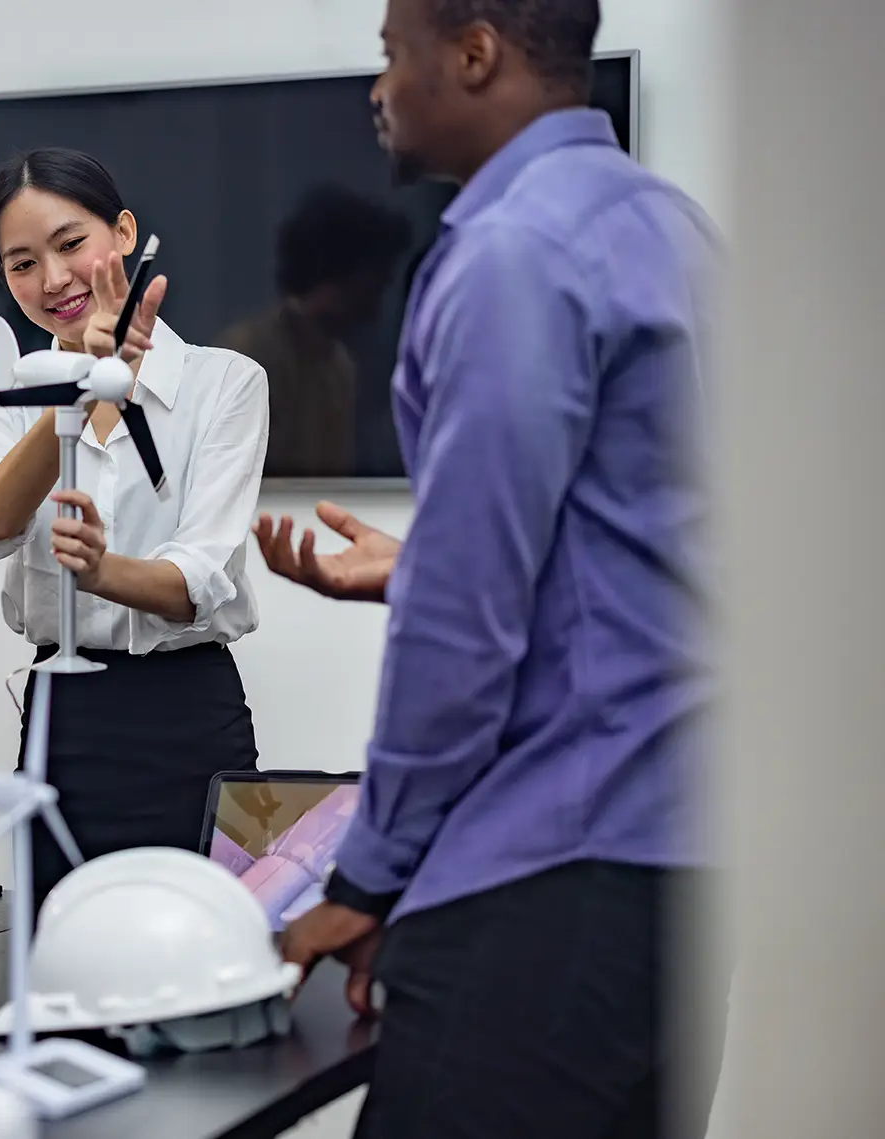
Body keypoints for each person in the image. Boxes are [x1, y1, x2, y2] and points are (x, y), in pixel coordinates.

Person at [264, 1, 720, 1136]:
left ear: (474, 54)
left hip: (549, 872)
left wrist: (367, 876)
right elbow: (645, 553)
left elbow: (467, 627)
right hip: (683, 861)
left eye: (391, 56)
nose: (379, 89)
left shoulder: (512, 251)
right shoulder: (672, 227)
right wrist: (420, 567)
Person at [0, 147, 270, 913]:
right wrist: (76, 393)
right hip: (65, 722)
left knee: (213, 959)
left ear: (123, 233)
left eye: (70, 244)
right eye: (22, 263)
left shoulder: (225, 382)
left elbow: (200, 577)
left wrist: (100, 571)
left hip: (189, 713)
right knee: (61, 960)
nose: (54, 280)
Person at [216, 185, 413, 478]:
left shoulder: (339, 365)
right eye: (376, 274)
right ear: (344, 271)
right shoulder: (246, 354)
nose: (383, 288)